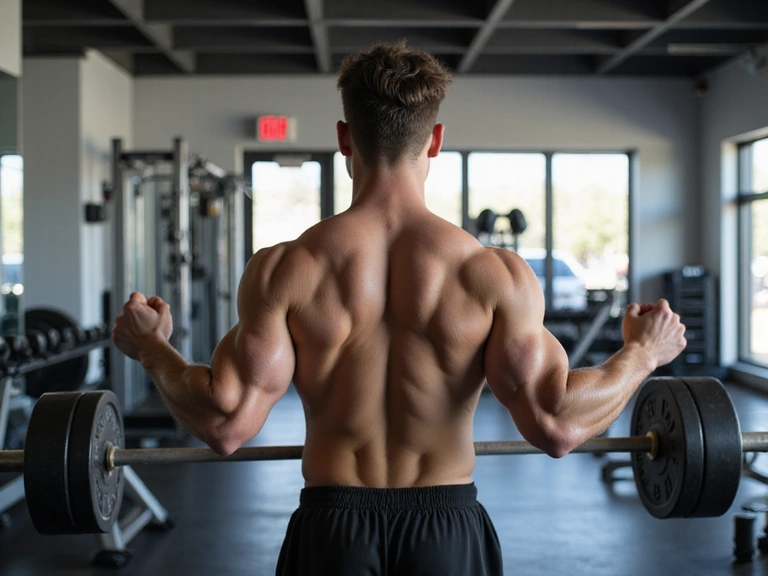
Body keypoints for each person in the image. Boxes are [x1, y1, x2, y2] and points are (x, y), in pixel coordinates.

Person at [112, 41, 687, 576]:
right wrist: (642, 352)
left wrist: (150, 347)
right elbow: (557, 424)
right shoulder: (490, 274)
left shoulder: (286, 269)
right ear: (435, 140)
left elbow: (226, 422)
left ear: (344, 137)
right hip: (447, 528)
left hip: (331, 526)